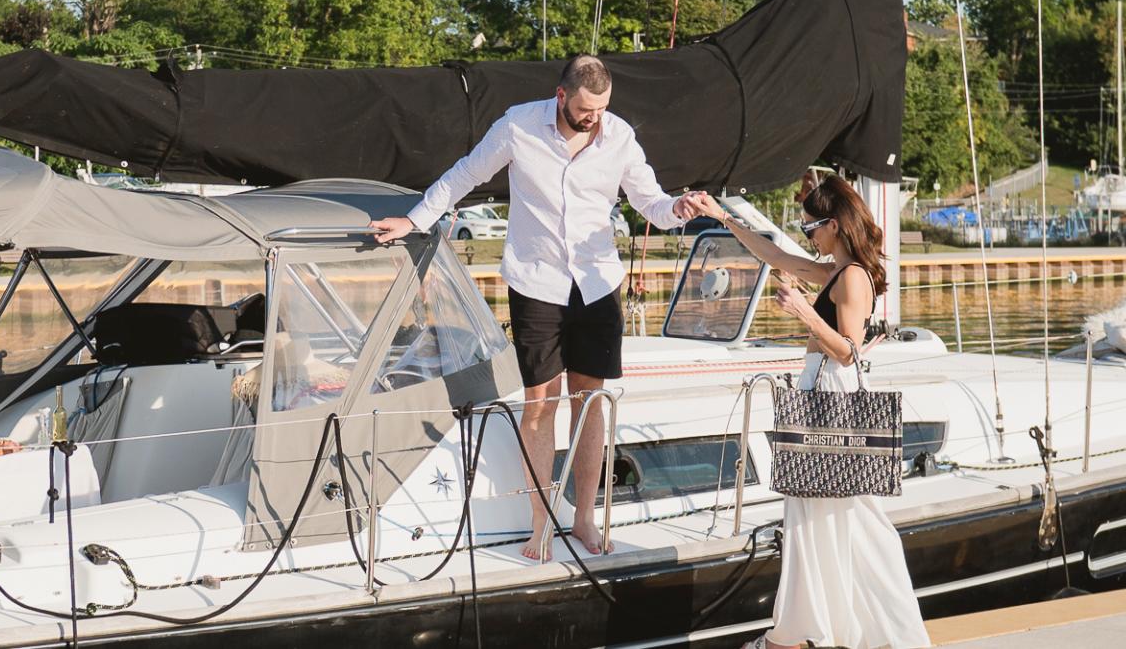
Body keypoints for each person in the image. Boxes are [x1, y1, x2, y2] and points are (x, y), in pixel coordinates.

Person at [370, 54, 702, 558]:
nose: (595, 119)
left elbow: (651, 202)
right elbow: (465, 174)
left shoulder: (619, 137)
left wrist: (677, 209)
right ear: (561, 96)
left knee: (589, 403)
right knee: (539, 405)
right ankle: (541, 522)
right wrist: (415, 220)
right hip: (537, 283)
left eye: (602, 109)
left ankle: (585, 518)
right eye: (586, 110)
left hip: (596, 285)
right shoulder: (518, 126)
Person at [689, 170, 930, 649]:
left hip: (833, 395)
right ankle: (808, 630)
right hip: (821, 392)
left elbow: (849, 351)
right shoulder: (837, 271)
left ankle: (817, 632)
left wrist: (803, 313)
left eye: (810, 227)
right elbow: (774, 255)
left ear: (834, 225)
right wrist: (722, 217)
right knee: (816, 516)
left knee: (849, 517)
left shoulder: (853, 277)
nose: (807, 236)